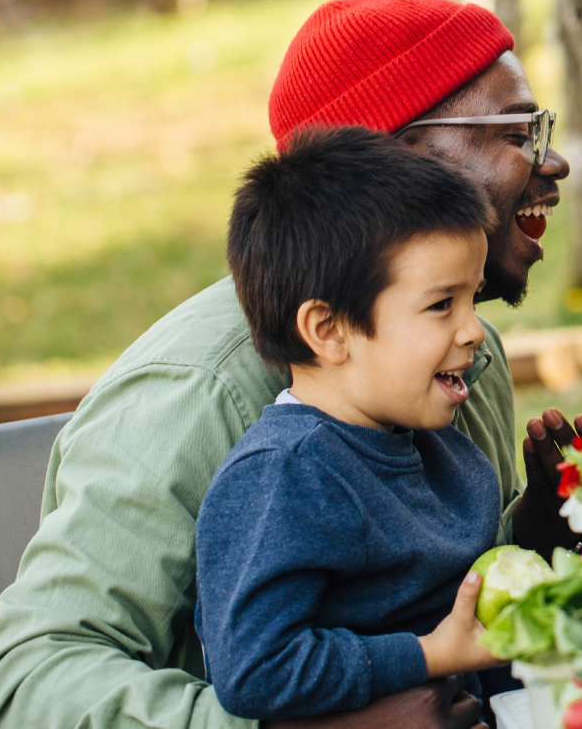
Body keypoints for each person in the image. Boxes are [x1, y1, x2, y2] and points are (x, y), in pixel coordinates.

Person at [0, 0, 582, 729]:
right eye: (515, 131)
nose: (552, 161)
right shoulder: (200, 392)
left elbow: (412, 590)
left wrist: (534, 525)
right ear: (388, 163)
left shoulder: (469, 357)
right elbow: (28, 683)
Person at [196, 127, 502, 720]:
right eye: (442, 305)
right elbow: (256, 668)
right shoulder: (286, 475)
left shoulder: (429, 442)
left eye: (473, 299)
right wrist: (427, 656)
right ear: (330, 331)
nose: (473, 330)